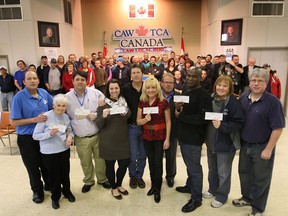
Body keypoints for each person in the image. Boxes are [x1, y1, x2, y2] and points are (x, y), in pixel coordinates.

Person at [232, 68, 285, 216]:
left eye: (260, 81)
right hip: (245, 144)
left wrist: (269, 149)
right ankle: (247, 197)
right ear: (249, 82)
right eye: (253, 80)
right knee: (244, 173)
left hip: (262, 146)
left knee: (261, 178)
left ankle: (257, 208)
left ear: (266, 83)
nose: (256, 83)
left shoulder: (273, 102)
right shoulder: (243, 97)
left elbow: (278, 129)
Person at [10, 70, 54, 204]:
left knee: (46, 163)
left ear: (38, 80)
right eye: (29, 79)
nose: (33, 81)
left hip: (44, 136)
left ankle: (49, 185)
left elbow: (54, 108)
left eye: (35, 78)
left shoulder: (44, 93)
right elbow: (14, 122)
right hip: (27, 138)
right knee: (32, 166)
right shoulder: (19, 97)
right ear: (23, 82)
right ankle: (37, 191)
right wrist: (34, 120)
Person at [66, 70, 111, 193]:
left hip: (97, 134)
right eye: (77, 79)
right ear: (73, 81)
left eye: (83, 80)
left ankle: (102, 179)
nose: (80, 82)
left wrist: (97, 114)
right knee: (85, 161)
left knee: (100, 160)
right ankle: (88, 180)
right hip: (81, 137)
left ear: (87, 81)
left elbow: (108, 106)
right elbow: (65, 118)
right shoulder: (67, 98)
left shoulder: (95, 93)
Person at [175, 67, 212, 213]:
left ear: (200, 78)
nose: (190, 78)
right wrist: (178, 109)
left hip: (194, 137)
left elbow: (204, 117)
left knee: (195, 168)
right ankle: (190, 186)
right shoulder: (186, 89)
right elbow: (184, 110)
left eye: (194, 76)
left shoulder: (204, 95)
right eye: (188, 76)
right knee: (189, 165)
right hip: (184, 134)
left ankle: (196, 198)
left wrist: (181, 116)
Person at [204, 75, 244, 208]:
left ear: (230, 88)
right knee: (212, 168)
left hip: (226, 143)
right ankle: (212, 189)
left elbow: (238, 123)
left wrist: (222, 126)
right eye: (219, 85)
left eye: (225, 86)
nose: (221, 88)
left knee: (224, 172)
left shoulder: (233, 102)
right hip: (211, 141)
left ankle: (222, 196)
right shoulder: (210, 98)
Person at [32, 94, 75, 209]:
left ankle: (67, 192)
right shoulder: (46, 116)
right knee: (53, 176)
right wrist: (49, 134)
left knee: (65, 173)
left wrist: (70, 137)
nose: (61, 108)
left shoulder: (65, 117)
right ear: (53, 105)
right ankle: (55, 197)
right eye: (58, 106)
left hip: (64, 150)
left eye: (63, 106)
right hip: (49, 152)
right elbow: (35, 136)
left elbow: (70, 130)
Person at [137, 76, 171, 203]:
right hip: (147, 136)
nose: (150, 90)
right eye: (148, 88)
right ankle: (153, 185)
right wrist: (145, 119)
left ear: (157, 89)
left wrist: (167, 139)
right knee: (151, 162)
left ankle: (158, 188)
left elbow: (168, 121)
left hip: (160, 135)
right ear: (145, 89)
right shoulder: (142, 102)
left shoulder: (163, 102)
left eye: (153, 88)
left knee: (158, 162)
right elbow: (138, 121)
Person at [96, 79, 131, 200]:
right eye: (111, 88)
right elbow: (99, 125)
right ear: (108, 90)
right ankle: (114, 187)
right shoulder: (102, 104)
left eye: (116, 88)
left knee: (124, 164)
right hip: (108, 141)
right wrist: (104, 116)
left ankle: (119, 184)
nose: (114, 91)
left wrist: (125, 112)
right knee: (110, 166)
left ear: (119, 89)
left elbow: (129, 116)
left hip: (123, 140)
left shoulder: (123, 101)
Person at [122, 64, 146, 189]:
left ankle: (139, 176)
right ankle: (132, 176)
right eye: (133, 73)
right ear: (130, 75)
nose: (136, 75)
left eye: (138, 72)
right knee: (132, 155)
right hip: (132, 127)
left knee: (142, 155)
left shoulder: (148, 88)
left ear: (142, 74)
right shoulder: (125, 89)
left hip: (146, 127)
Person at [160, 73, 178, 188]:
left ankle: (170, 176)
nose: (168, 85)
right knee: (157, 156)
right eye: (166, 82)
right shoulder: (155, 95)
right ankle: (157, 176)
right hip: (157, 130)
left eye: (170, 83)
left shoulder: (179, 97)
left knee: (171, 155)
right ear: (161, 83)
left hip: (173, 131)